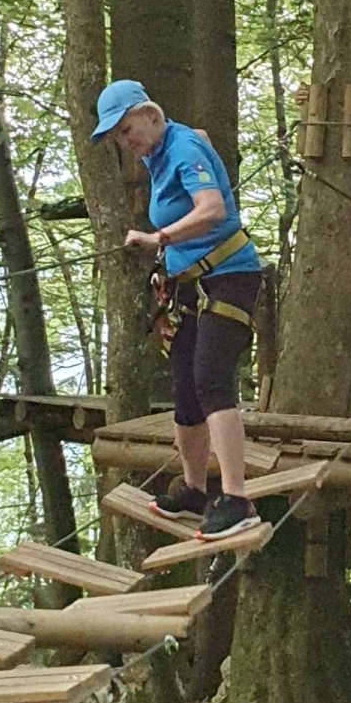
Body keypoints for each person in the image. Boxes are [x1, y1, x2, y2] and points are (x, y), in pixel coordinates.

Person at [91, 80, 263, 540]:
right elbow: (199, 139)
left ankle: (236, 499)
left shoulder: (181, 149)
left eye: (127, 129)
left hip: (229, 276)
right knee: (185, 385)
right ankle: (193, 489)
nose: (125, 142)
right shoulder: (162, 150)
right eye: (118, 136)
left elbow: (212, 209)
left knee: (211, 378)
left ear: (151, 114)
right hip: (190, 284)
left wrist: (158, 238)